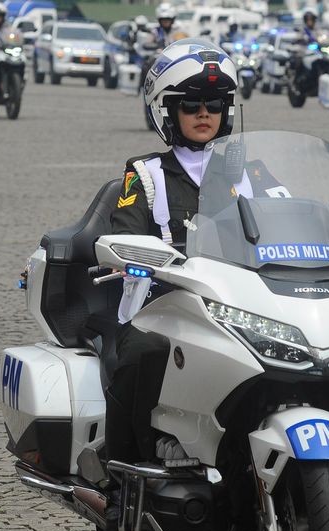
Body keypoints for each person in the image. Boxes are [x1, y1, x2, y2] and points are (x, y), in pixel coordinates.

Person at [106, 39, 239, 470]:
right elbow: (122, 236)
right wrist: (137, 253)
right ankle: (123, 470)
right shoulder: (145, 175)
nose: (204, 114)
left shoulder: (250, 172)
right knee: (143, 354)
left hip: (238, 304)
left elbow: (294, 217)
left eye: (214, 105)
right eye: (191, 104)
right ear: (168, 112)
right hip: (163, 307)